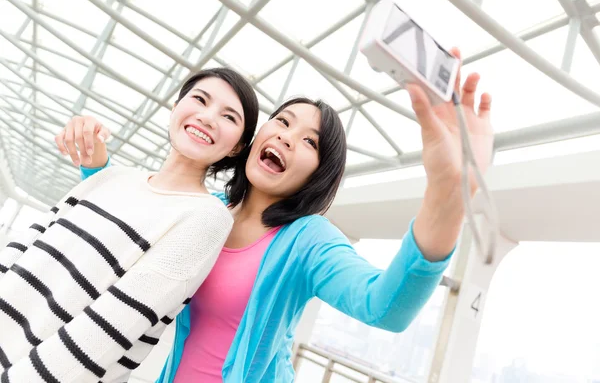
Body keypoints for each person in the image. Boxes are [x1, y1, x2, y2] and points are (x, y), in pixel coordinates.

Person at [70, 48, 493, 382]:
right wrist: (96, 166)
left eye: (309, 142)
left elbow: (385, 308)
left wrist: (446, 194)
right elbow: (130, 230)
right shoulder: (206, 213)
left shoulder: (308, 240)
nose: (287, 138)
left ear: (319, 173)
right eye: (282, 122)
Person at [0, 67, 259, 383]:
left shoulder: (206, 218)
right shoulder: (112, 177)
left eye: (229, 117)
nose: (207, 117)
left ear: (237, 147)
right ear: (175, 108)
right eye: (200, 99)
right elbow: (28, 246)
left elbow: (109, 327)